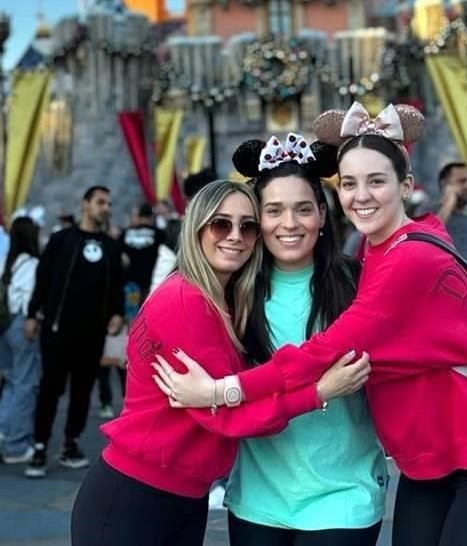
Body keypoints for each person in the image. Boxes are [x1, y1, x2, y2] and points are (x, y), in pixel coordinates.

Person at [157, 102, 467, 546]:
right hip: (427, 463)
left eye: (376, 181)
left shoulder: (401, 261)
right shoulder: (373, 253)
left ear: (405, 186)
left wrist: (218, 391)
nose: (361, 195)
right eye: (349, 183)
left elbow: (320, 354)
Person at [70, 180, 369, 546]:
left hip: (180, 496)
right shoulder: (186, 301)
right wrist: (319, 392)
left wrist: (217, 392)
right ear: (197, 227)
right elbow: (228, 417)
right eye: (221, 224)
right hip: (136, 497)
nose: (235, 236)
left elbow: (239, 393)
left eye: (248, 226)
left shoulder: (221, 301)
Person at [220, 133, 386, 545]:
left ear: (323, 215)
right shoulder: (233, 290)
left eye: (303, 210)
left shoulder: (361, 285)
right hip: (259, 495)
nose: (289, 224)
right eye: (274, 210)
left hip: (344, 494)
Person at [24, 186, 124, 478]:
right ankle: (40, 445)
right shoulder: (61, 240)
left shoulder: (110, 246)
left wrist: (117, 312)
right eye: (100, 202)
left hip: (92, 334)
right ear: (85, 205)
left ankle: (71, 443)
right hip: (57, 330)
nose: (105, 207)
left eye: (108, 203)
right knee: (50, 390)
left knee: (82, 392)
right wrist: (33, 314)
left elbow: (117, 283)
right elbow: (42, 280)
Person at [0, 217, 41, 463]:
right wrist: (32, 319)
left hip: (5, 325)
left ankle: (4, 429)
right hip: (22, 324)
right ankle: (17, 444)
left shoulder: (8, 260)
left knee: (13, 381)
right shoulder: (33, 263)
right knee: (25, 383)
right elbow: (28, 295)